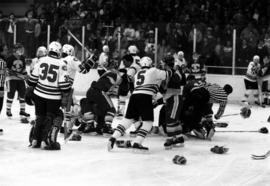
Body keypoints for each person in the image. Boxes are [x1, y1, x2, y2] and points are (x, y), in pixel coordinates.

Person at [108, 56, 171, 152]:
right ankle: (137, 142)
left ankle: (113, 138)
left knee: (127, 120)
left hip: (134, 96)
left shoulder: (137, 73)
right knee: (148, 123)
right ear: (150, 64)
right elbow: (168, 74)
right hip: (145, 96)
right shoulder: (153, 70)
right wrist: (171, 67)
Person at [27, 41, 71, 150]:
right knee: (49, 118)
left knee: (39, 117)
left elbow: (32, 80)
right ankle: (44, 141)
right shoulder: (62, 64)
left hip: (39, 94)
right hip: (53, 97)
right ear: (59, 51)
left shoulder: (41, 60)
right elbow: (64, 86)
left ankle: (34, 140)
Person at [61, 44, 97, 140]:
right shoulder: (71, 58)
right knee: (74, 109)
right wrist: (92, 59)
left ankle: (55, 126)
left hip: (53, 88)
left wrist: (88, 59)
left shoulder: (58, 60)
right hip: (66, 88)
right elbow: (84, 70)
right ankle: (67, 129)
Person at [80, 69, 123, 137]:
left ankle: (90, 126)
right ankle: (107, 128)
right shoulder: (117, 76)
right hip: (99, 91)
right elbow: (116, 90)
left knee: (94, 107)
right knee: (111, 109)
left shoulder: (106, 75)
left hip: (90, 91)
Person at [159, 54, 185, 149]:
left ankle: (170, 139)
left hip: (175, 99)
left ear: (167, 63)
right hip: (171, 99)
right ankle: (179, 138)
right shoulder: (169, 72)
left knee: (170, 120)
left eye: (163, 62)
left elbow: (175, 89)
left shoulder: (173, 73)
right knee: (174, 120)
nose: (161, 63)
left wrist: (162, 97)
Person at [6, 43, 30, 123]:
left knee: (22, 94)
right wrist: (13, 73)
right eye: (20, 49)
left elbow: (23, 69)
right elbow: (7, 69)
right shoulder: (9, 58)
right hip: (11, 79)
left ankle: (22, 110)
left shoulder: (23, 58)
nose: (21, 51)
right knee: (11, 95)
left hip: (20, 80)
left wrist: (26, 76)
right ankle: (8, 110)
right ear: (15, 50)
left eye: (22, 49)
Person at [0, 45, 7, 134]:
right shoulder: (1, 62)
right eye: (5, 50)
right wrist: (1, 89)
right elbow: (1, 77)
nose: (6, 52)